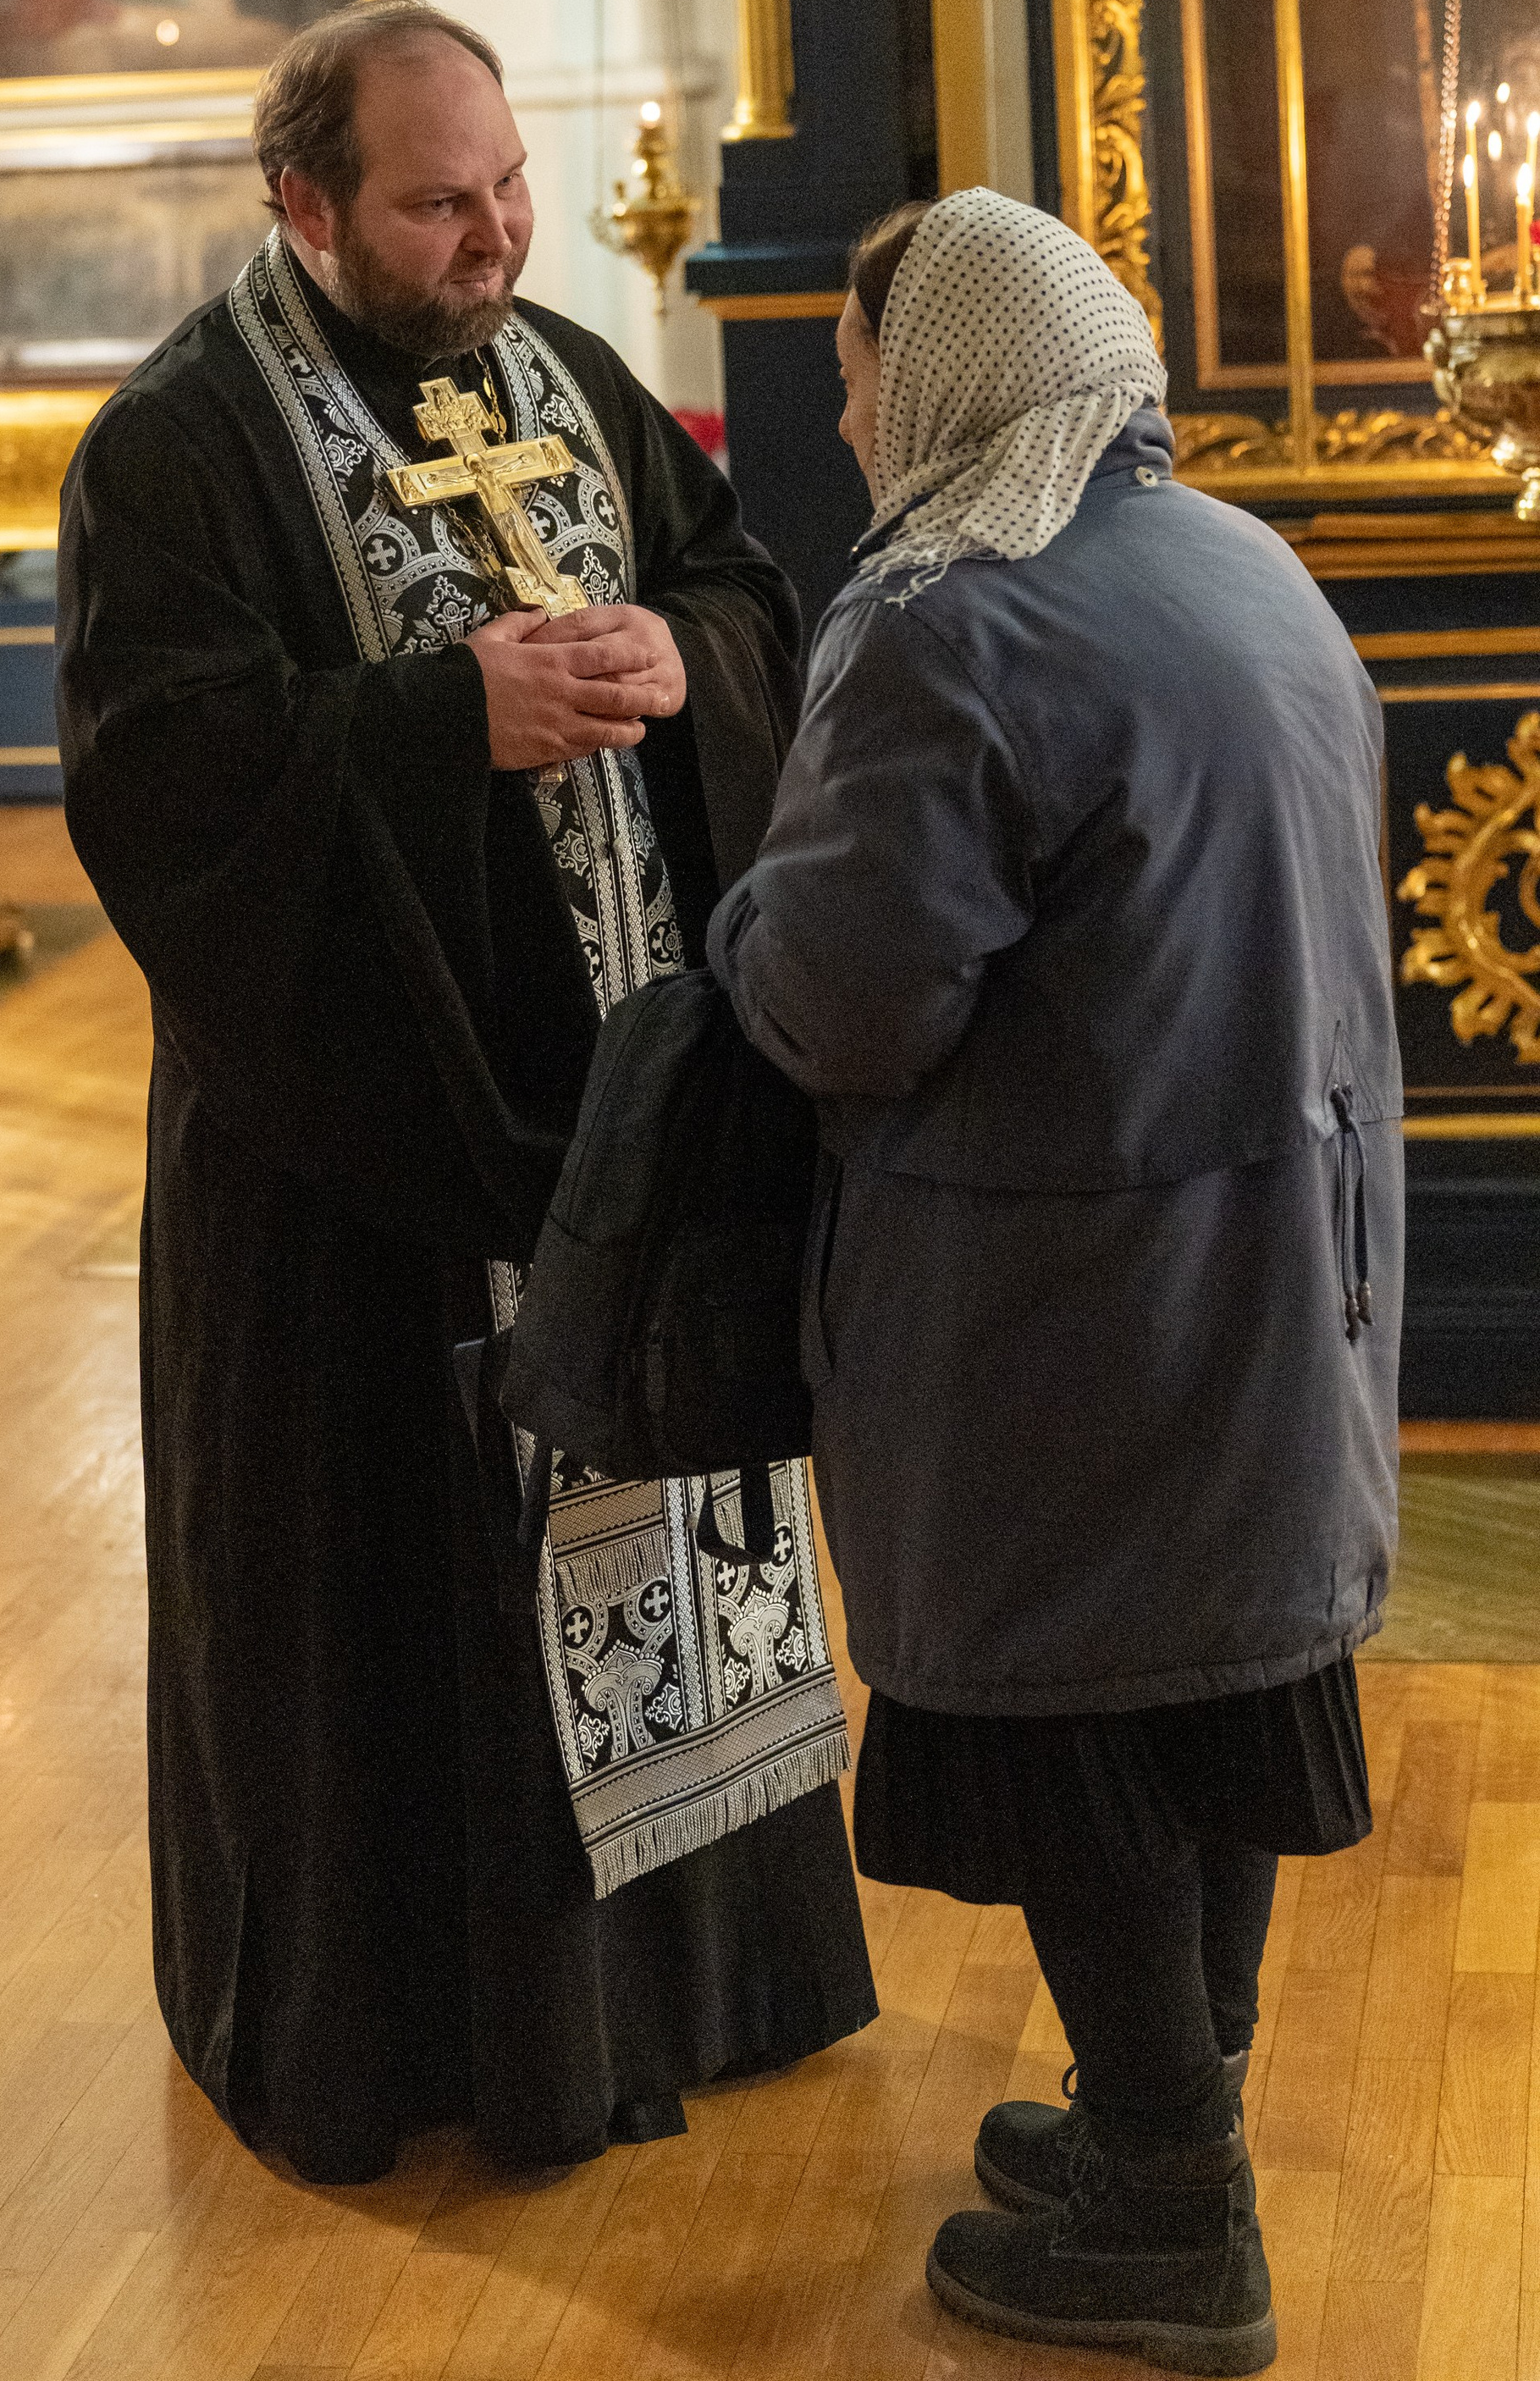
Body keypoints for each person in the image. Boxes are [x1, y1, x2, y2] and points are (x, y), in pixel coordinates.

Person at [53, 0, 875, 2185]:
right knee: (396, 1613)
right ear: (301, 202)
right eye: (439, 204)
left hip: (627, 1117)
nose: (497, 234)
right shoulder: (175, 453)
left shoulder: (567, 378)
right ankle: (434, 2039)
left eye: (508, 184)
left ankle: (709, 1983)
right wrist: (446, 726)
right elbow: (166, 792)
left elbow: (738, 586)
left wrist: (670, 664)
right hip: (361, 1181)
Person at [710, 190, 1400, 2376]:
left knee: (1090, 1711)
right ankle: (1145, 2121)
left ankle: (1173, 2215)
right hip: (1280, 1258)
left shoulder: (953, 618)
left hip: (1063, 1287)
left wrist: (727, 933)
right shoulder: (1249, 566)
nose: (845, 406)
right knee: (1219, 1683)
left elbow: (843, 1007)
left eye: (858, 361)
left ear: (952, 371)